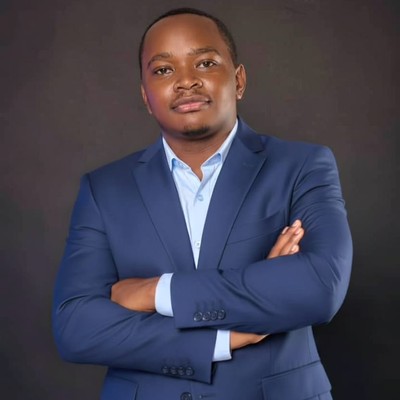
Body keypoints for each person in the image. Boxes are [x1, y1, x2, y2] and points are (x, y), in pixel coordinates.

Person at [53, 7, 352, 400]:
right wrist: (227, 336)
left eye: (206, 63)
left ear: (238, 80)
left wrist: (155, 292)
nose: (186, 81)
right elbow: (76, 327)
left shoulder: (302, 166)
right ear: (145, 96)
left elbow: (319, 288)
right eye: (163, 70)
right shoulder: (103, 188)